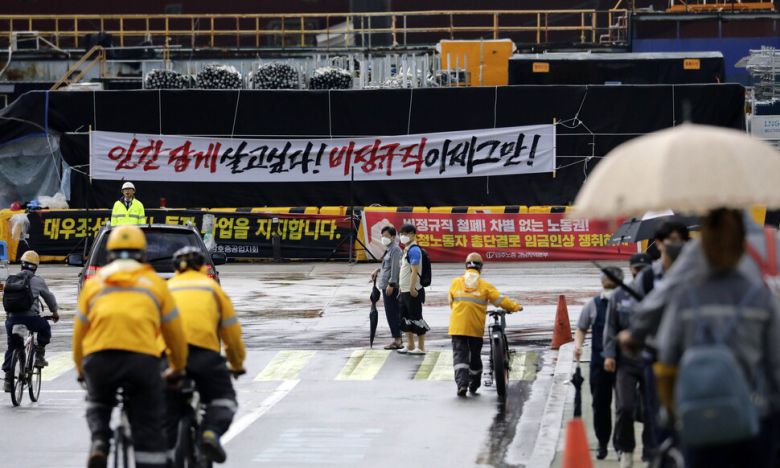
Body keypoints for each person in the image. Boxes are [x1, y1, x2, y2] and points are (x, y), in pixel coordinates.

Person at [654, 208, 780, 468]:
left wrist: (670, 412)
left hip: (700, 416)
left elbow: (665, 358)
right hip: (755, 415)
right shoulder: (762, 299)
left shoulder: (685, 299)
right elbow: (776, 364)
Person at [73, 225, 188, 468]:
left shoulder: (94, 284)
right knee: (148, 420)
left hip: (100, 359)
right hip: (142, 361)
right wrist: (177, 367)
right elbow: (174, 333)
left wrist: (81, 369)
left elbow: (79, 333)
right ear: (143, 254)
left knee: (98, 401)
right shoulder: (155, 283)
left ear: (110, 253)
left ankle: (99, 441)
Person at [164, 246, 246, 464]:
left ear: (175, 268)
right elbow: (231, 334)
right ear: (202, 266)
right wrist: (236, 365)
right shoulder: (212, 289)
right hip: (203, 356)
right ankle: (210, 432)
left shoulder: (165, 290)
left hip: (168, 359)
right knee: (224, 400)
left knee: (163, 406)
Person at [603, 253, 654, 466]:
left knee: (652, 408)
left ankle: (651, 452)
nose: (640, 273)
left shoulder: (659, 293)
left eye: (644, 269)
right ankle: (626, 449)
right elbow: (611, 327)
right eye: (637, 269)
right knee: (625, 407)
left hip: (652, 358)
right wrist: (609, 355)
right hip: (626, 361)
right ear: (631, 270)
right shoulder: (620, 295)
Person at [448, 252, 521, 397]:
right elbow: (500, 300)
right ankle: (474, 384)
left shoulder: (455, 282)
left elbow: (451, 303)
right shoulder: (484, 286)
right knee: (475, 356)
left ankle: (462, 384)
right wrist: (515, 307)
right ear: (480, 268)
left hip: (457, 327)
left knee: (460, 356)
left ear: (466, 266)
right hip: (475, 328)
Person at [574, 266, 624, 461]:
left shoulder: (627, 303)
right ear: (602, 283)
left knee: (623, 406)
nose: (609, 284)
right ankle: (602, 443)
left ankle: (620, 444)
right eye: (607, 281)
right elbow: (581, 327)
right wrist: (577, 345)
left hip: (623, 363)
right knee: (600, 405)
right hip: (599, 363)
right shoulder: (593, 305)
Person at [3, 250, 59, 392]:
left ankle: (8, 379)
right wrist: (54, 312)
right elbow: (49, 298)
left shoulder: (12, 279)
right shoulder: (38, 281)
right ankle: (40, 353)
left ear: (21, 264)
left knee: (12, 346)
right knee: (45, 327)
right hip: (31, 320)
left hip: (12, 320)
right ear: (35, 267)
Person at [370, 225, 403, 350]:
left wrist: (391, 284)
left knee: (392, 313)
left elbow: (396, 268)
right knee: (391, 312)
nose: (383, 238)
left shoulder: (395, 250)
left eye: (386, 236)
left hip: (390, 287)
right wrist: (377, 270)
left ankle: (397, 340)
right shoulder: (389, 249)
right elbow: (387, 266)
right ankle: (397, 338)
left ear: (393, 237)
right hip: (385, 285)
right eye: (382, 236)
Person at [396, 224, 428, 355]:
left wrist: (412, 287)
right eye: (402, 234)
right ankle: (410, 345)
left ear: (413, 235)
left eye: (406, 234)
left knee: (416, 317)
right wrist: (401, 288)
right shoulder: (406, 250)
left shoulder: (414, 250)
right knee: (404, 318)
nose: (403, 236)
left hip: (412, 290)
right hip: (404, 290)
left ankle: (420, 347)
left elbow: (414, 271)